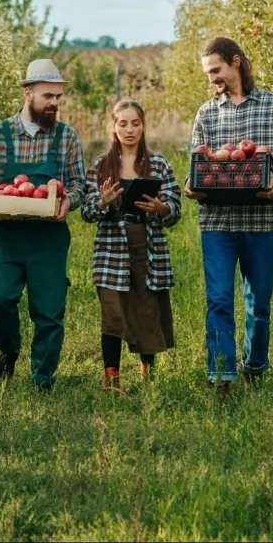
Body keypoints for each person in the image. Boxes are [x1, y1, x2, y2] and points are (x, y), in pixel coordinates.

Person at [183, 36, 273, 395]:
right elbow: (197, 166)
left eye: (215, 70)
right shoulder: (206, 113)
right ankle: (221, 375)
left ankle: (255, 364)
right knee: (218, 299)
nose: (211, 79)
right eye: (207, 73)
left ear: (236, 62)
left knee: (258, 303)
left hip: (261, 221)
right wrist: (192, 186)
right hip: (217, 222)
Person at [0, 58, 86, 391]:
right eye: (47, 96)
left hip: (47, 240)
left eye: (58, 97)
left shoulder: (66, 138)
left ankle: (42, 381)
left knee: (49, 312)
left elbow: (79, 184)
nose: (54, 104)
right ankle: (8, 349)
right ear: (27, 92)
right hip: (5, 238)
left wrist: (69, 200)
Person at [81, 100, 181, 392]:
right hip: (111, 249)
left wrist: (161, 208)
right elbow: (87, 213)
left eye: (135, 123)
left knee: (145, 308)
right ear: (113, 126)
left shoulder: (159, 164)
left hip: (148, 248)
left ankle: (147, 373)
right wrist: (102, 202)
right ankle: (111, 379)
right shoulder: (101, 166)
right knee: (112, 313)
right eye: (122, 123)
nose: (129, 129)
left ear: (143, 126)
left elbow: (175, 210)